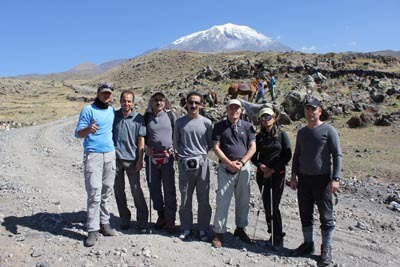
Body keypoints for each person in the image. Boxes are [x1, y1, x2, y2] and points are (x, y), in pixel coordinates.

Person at [290, 96, 342, 264]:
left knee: (326, 216)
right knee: (305, 214)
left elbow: (337, 155)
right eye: (307, 109)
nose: (310, 112)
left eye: (313, 109)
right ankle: (308, 243)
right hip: (304, 179)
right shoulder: (302, 132)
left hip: (323, 180)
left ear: (320, 111)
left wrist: (336, 178)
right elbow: (297, 155)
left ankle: (326, 248)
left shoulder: (329, 130)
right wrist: (293, 176)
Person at [74, 82, 116, 247]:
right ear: (98, 93)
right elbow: (78, 133)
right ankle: (92, 229)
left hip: (110, 154)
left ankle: (105, 224)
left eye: (109, 93)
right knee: (94, 192)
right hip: (93, 155)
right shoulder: (88, 110)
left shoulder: (112, 111)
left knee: (107, 190)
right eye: (104, 93)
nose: (106, 95)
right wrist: (88, 129)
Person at [211, 99, 257, 248]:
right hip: (226, 167)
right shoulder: (219, 126)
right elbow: (216, 147)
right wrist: (229, 163)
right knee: (223, 199)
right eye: (231, 108)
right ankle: (219, 231)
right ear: (227, 110)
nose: (234, 111)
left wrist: (242, 162)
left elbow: (253, 147)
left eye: (237, 108)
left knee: (243, 200)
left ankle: (241, 228)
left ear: (241, 110)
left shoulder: (248, 126)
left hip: (243, 167)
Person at [174, 91, 213, 241]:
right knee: (185, 198)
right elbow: (176, 142)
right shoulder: (179, 122)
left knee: (203, 199)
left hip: (202, 163)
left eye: (197, 102)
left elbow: (210, 144)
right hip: (184, 163)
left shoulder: (207, 123)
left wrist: (200, 155)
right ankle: (186, 227)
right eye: (191, 102)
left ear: (201, 105)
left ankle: (203, 228)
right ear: (186, 104)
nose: (193, 105)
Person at [251, 107, 292, 249]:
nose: (265, 120)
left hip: (277, 174)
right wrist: (262, 167)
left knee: (274, 205)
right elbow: (254, 157)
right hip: (262, 175)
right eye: (262, 117)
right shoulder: (259, 137)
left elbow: (287, 155)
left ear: (274, 118)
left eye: (268, 117)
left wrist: (273, 169)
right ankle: (272, 232)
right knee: (267, 205)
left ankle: (278, 236)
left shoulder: (282, 135)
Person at [112, 90, 148, 233]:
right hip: (115, 160)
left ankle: (143, 221)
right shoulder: (114, 116)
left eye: (129, 101)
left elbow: (141, 139)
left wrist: (140, 159)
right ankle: (124, 219)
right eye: (124, 100)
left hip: (132, 160)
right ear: (120, 101)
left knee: (136, 190)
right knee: (118, 191)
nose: (126, 103)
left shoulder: (138, 118)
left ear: (133, 103)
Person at [144, 91, 177, 233]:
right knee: (154, 188)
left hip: (168, 158)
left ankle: (170, 219)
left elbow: (178, 133)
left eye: (161, 100)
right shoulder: (146, 117)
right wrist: (145, 148)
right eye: (155, 100)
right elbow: (139, 137)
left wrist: (176, 149)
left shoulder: (171, 115)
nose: (158, 102)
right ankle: (161, 215)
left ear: (165, 102)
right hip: (152, 159)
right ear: (151, 102)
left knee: (169, 189)